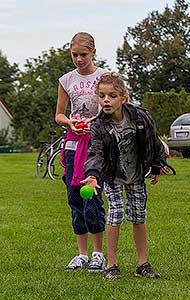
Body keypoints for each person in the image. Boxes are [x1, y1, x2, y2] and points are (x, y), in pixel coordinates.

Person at [81, 72, 165, 279]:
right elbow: (96, 152)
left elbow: (152, 142)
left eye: (112, 95)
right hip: (113, 176)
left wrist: (156, 166)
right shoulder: (99, 125)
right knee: (115, 215)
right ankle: (111, 265)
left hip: (136, 174)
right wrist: (92, 175)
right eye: (102, 96)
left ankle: (142, 264)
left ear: (123, 97)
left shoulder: (140, 117)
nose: (106, 100)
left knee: (138, 216)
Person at [55, 32, 107, 271]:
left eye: (83, 55)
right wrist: (70, 123)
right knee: (74, 198)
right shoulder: (66, 80)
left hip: (95, 145)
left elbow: (114, 107)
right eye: (74, 54)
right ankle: (82, 254)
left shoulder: (104, 77)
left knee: (92, 196)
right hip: (72, 144)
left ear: (93, 52)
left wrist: (95, 121)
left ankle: (98, 253)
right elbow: (59, 115)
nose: (78, 59)